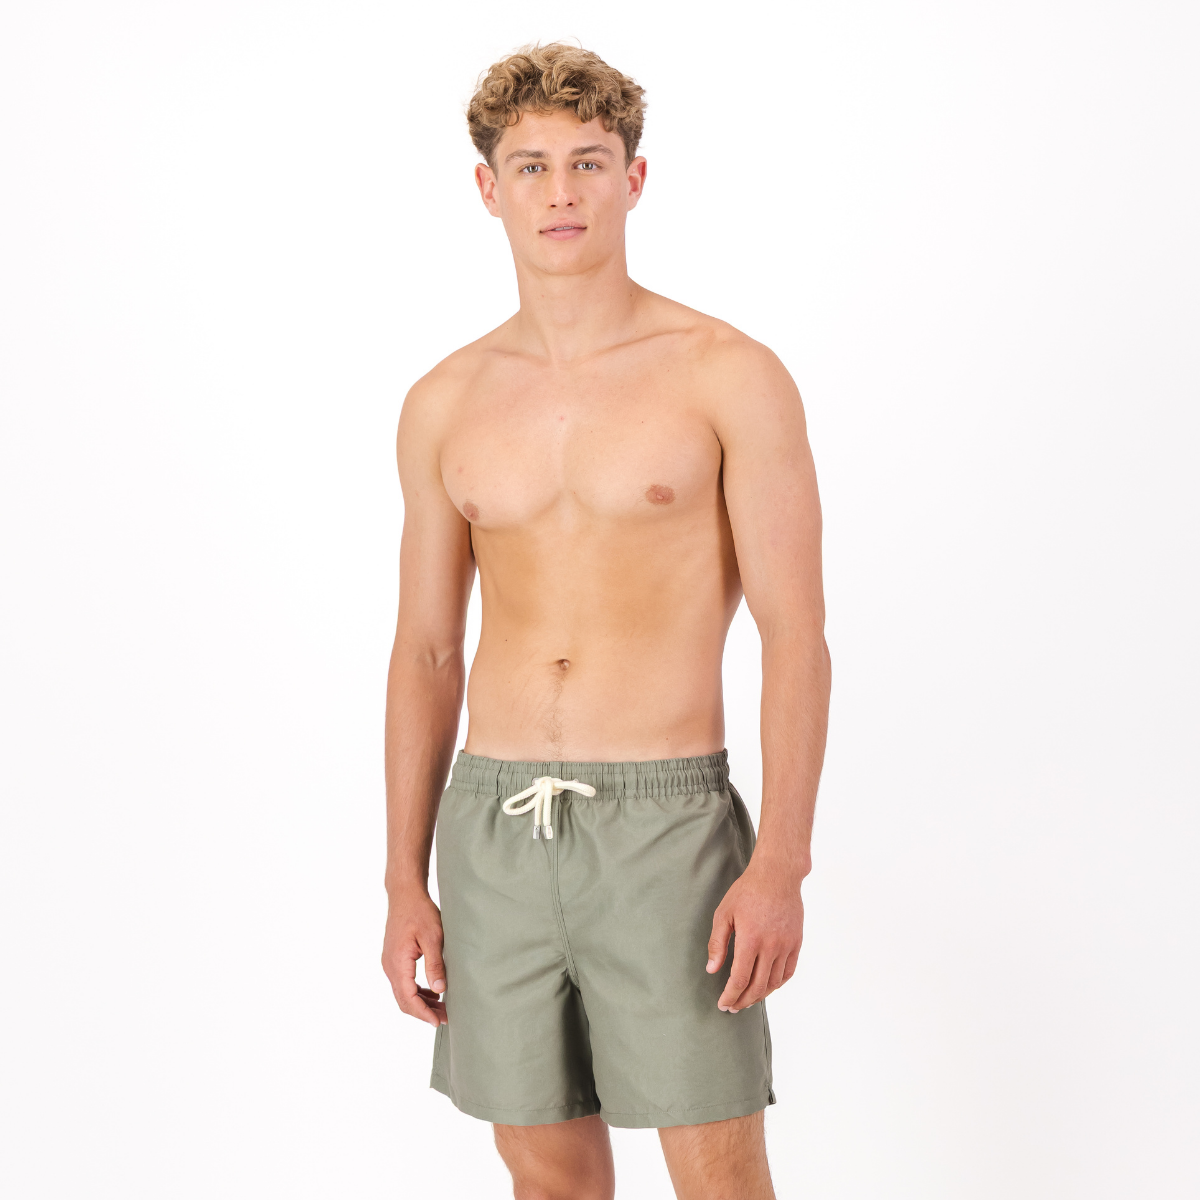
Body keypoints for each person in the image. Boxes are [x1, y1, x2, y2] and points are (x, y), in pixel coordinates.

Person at [382, 43, 831, 1200]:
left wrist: (781, 860)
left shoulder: (728, 374)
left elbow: (796, 633)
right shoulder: (445, 400)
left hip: (665, 824)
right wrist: (403, 878)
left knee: (718, 1171)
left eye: (588, 161)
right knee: (546, 1177)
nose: (561, 192)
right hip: (492, 825)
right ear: (488, 189)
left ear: (634, 178)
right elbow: (427, 651)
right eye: (530, 166)